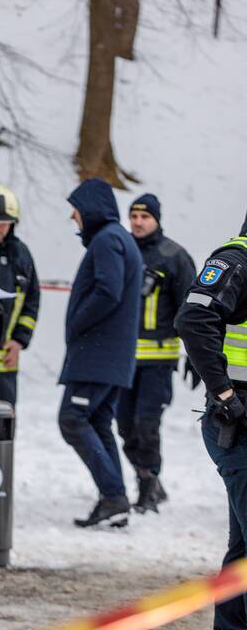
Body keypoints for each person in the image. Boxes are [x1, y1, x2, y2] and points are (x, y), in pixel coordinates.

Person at [174, 210, 247, 630]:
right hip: (237, 425)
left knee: (242, 548)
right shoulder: (238, 259)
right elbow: (192, 318)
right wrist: (222, 391)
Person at [58, 179, 143, 528]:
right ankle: (115, 500)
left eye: (76, 209)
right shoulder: (117, 239)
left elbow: (108, 290)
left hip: (97, 355)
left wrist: (78, 322)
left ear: (91, 207)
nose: (73, 217)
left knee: (73, 420)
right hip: (110, 356)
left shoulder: (108, 239)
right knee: (96, 423)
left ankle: (113, 496)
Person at [117, 194, 196, 513]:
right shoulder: (122, 250)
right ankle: (148, 477)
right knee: (123, 425)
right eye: (133, 216)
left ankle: (148, 487)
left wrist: (195, 354)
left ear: (157, 220)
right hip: (123, 361)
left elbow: (191, 311)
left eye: (144, 216)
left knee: (146, 425)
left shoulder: (174, 256)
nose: (137, 222)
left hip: (159, 362)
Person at [0, 185, 41, 407]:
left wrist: (18, 341)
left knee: (2, 427)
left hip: (5, 363)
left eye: (5, 223)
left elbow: (31, 302)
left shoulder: (21, 255)